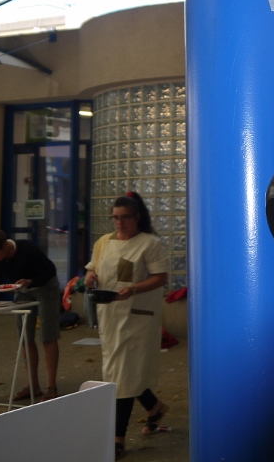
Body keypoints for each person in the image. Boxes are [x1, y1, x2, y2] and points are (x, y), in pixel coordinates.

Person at [85, 192, 169, 460]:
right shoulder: (103, 243)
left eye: (125, 218)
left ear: (137, 218)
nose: (119, 223)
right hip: (110, 315)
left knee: (121, 376)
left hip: (137, 318)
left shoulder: (149, 243)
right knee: (124, 371)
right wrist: (89, 276)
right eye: (115, 218)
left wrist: (134, 288)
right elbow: (93, 269)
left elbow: (160, 278)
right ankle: (154, 407)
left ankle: (117, 438)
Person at [0, 230, 60, 402]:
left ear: (5, 246)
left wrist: (31, 281)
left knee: (48, 335)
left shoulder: (27, 249)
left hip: (45, 286)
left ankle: (51, 386)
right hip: (22, 289)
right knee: (25, 337)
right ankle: (33, 385)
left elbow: (49, 270)